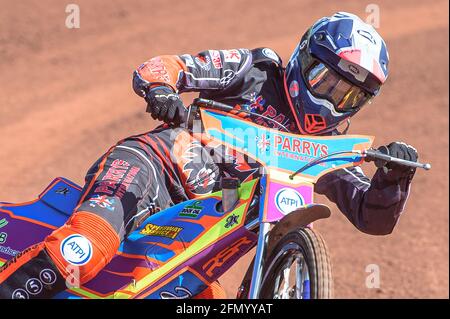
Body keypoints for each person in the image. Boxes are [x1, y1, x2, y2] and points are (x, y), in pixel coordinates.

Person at [0, 12, 418, 299]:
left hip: (200, 236)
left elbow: (372, 217)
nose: (331, 100)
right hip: (155, 169)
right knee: (84, 248)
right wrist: (163, 91)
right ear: (305, 59)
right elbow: (163, 66)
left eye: (348, 94)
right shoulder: (255, 70)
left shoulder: (325, 148)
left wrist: (392, 178)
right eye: (326, 81)